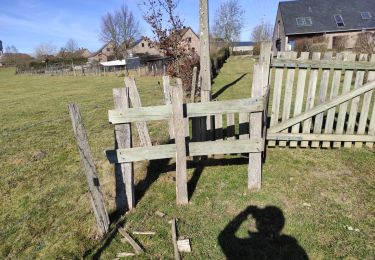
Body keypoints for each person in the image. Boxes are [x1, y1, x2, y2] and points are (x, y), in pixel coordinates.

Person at [218, 205, 308, 259]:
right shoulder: (294, 251)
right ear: (281, 225)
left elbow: (224, 236)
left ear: (258, 224)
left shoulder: (245, 248)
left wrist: (244, 213)